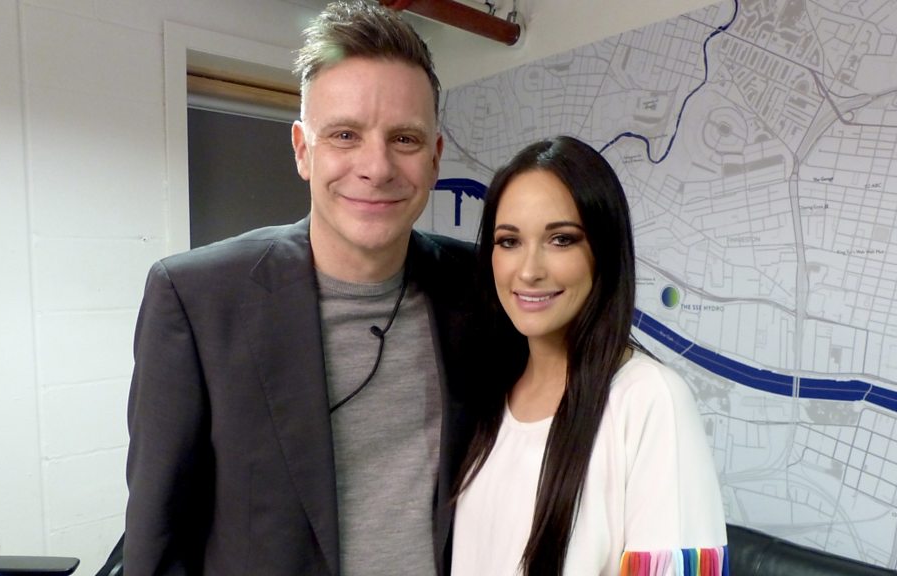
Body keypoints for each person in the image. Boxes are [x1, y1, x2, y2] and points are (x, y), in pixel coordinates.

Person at [125, 2, 483, 574]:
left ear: (435, 157)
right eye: (344, 134)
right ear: (301, 150)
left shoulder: (480, 286)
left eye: (405, 139)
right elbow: (157, 539)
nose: (377, 167)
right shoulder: (196, 299)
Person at [451, 136, 729, 576]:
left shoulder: (648, 399)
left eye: (561, 239)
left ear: (604, 252)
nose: (529, 270)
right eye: (509, 241)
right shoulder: (485, 391)